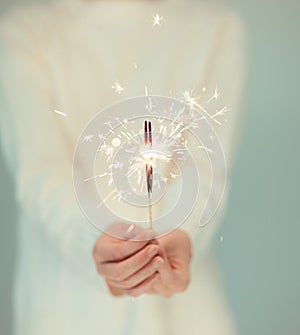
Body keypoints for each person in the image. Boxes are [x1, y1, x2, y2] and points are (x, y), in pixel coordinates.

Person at [0, 0, 246, 334]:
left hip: (186, 312)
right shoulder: (23, 30)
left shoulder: (215, 26)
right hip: (64, 311)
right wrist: (94, 240)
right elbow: (38, 170)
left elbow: (206, 164)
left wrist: (182, 232)